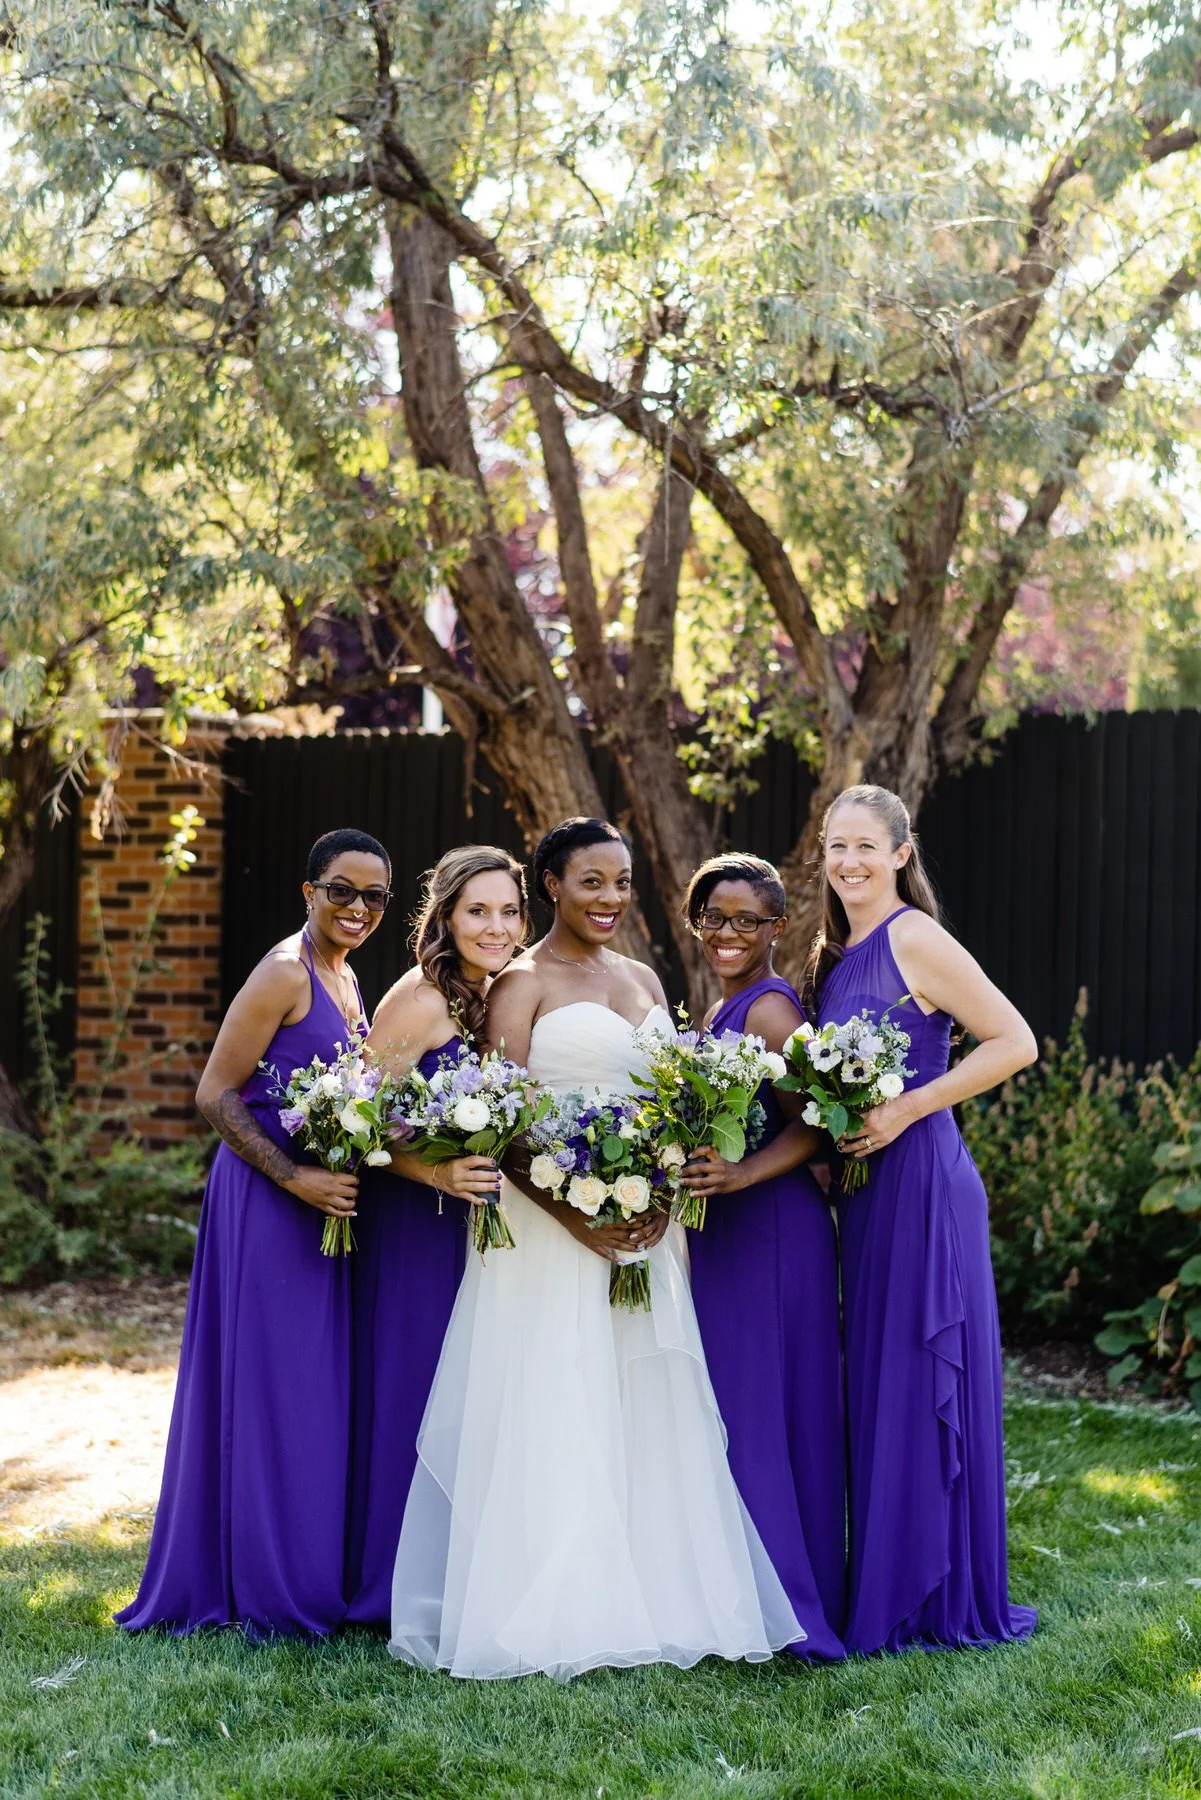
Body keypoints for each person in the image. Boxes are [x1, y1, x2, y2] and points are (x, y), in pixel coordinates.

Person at [388, 818, 800, 1679]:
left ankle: (654, 1594)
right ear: (550, 885)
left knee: (639, 1394)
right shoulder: (522, 983)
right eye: (591, 883)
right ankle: (551, 1603)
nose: (611, 897)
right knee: (556, 1392)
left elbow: (668, 1100)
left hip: (642, 1231)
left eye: (622, 882)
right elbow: (500, 1126)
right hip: (547, 1230)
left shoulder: (645, 976)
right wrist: (574, 1215)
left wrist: (655, 1191)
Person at [116, 828, 390, 1636]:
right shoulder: (282, 972)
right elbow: (214, 1094)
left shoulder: (346, 975)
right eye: (341, 890)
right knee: (271, 1388)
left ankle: (302, 1566)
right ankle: (258, 1586)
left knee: (306, 1390)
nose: (358, 908)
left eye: (374, 896)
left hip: (320, 1206)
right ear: (308, 892)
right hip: (268, 1201)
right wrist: (294, 1176)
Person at [809, 784, 1038, 1654]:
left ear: (901, 854)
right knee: (879, 1376)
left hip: (923, 1181)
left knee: (916, 1369)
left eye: (865, 846)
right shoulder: (841, 950)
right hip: (868, 1193)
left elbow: (1013, 1041)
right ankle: (892, 1575)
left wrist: (908, 1109)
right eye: (836, 846)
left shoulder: (913, 938)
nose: (848, 863)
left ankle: (935, 1595)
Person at [344, 846, 529, 1628]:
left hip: (480, 1230)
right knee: (415, 1395)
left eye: (509, 911)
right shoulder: (421, 1000)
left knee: (474, 1395)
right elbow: (352, 1118)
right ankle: (391, 1584)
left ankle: (462, 1571)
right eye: (477, 911)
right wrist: (435, 1175)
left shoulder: (506, 994)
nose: (495, 926)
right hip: (418, 1226)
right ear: (446, 917)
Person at [680, 853, 845, 1659]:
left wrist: (742, 1170)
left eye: (746, 919)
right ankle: (748, 1597)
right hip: (726, 1234)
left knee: (764, 1413)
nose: (727, 933)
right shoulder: (724, 1008)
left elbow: (822, 1121)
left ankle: (790, 1604)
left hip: (773, 1231)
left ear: (778, 927)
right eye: (713, 917)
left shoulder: (771, 1012)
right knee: (739, 1415)